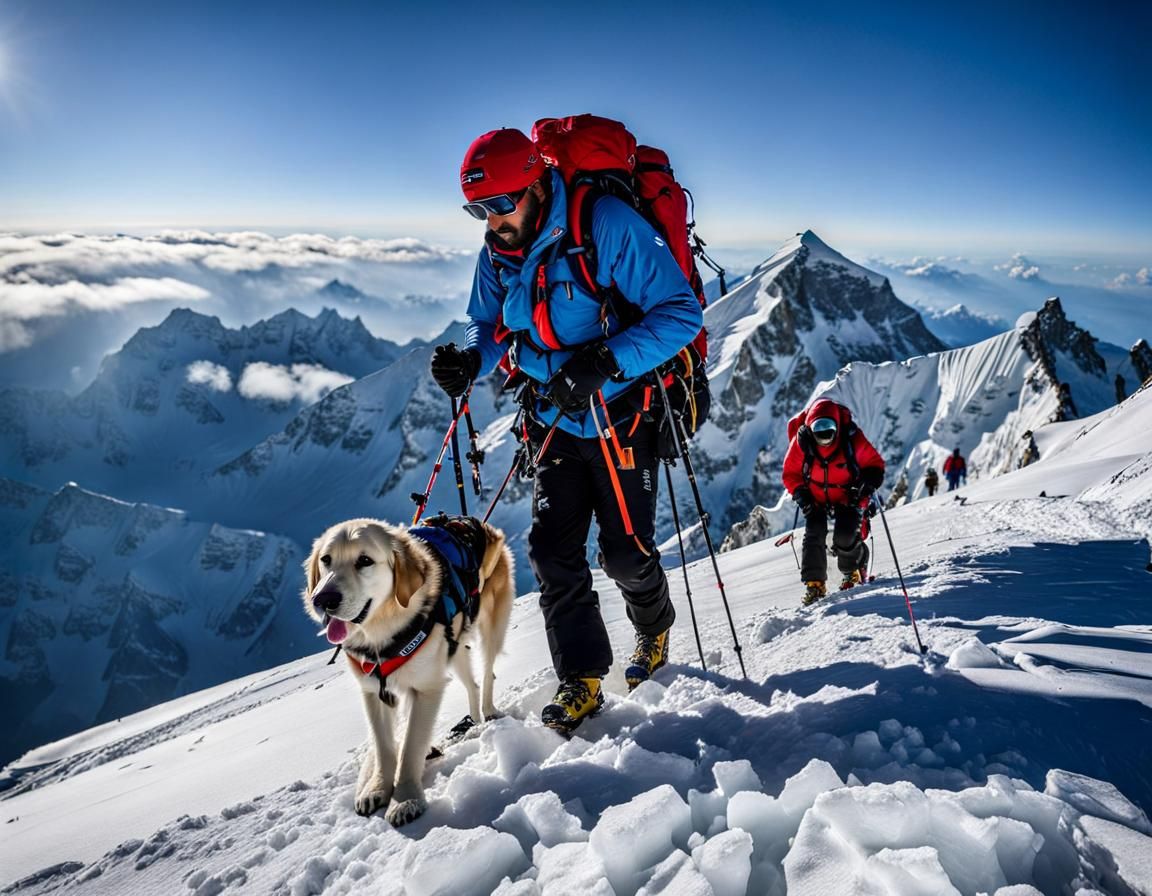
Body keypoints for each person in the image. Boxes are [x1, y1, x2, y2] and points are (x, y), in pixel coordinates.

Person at [430, 128, 703, 733]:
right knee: (553, 553)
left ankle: (653, 627)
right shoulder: (499, 249)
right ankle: (581, 679)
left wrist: (603, 364)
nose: (490, 221)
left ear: (534, 187)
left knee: (626, 555)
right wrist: (468, 358)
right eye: (476, 209)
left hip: (620, 411)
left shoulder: (604, 224)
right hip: (551, 416)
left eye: (499, 204)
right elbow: (486, 320)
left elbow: (681, 314)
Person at [782, 399, 885, 606]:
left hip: (849, 496)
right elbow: (790, 474)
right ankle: (815, 585)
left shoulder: (851, 439)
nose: (825, 434)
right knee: (813, 534)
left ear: (838, 427)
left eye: (829, 428)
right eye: (818, 428)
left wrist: (868, 482)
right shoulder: (802, 444)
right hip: (815, 499)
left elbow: (875, 464)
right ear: (810, 429)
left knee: (845, 536)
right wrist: (803, 497)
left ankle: (852, 570)